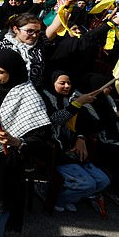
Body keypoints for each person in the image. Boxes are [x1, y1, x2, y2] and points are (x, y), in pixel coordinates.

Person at [0, 49, 51, 237]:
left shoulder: (29, 96)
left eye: (0, 72)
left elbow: (40, 139)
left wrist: (15, 141)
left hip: (4, 164)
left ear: (13, 71)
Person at [39, 71, 110, 212]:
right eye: (62, 83)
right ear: (52, 83)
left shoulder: (71, 98)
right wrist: (77, 103)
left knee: (103, 181)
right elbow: (55, 120)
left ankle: (68, 197)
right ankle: (51, 195)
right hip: (57, 153)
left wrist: (81, 137)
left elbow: (91, 121)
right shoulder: (44, 98)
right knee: (88, 185)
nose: (67, 86)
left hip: (74, 153)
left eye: (69, 83)